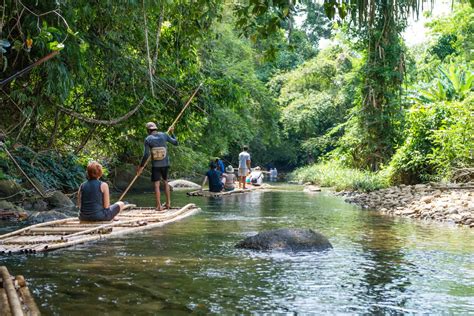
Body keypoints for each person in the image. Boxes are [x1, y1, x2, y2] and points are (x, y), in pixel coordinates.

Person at [137, 122, 178, 211]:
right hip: (165, 164)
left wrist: (141, 167)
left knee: (156, 185)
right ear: (156, 129)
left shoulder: (148, 139)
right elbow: (176, 143)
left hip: (155, 165)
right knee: (166, 182)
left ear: (148, 130)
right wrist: (172, 132)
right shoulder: (164, 135)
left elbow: (146, 154)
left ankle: (159, 206)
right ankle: (168, 204)